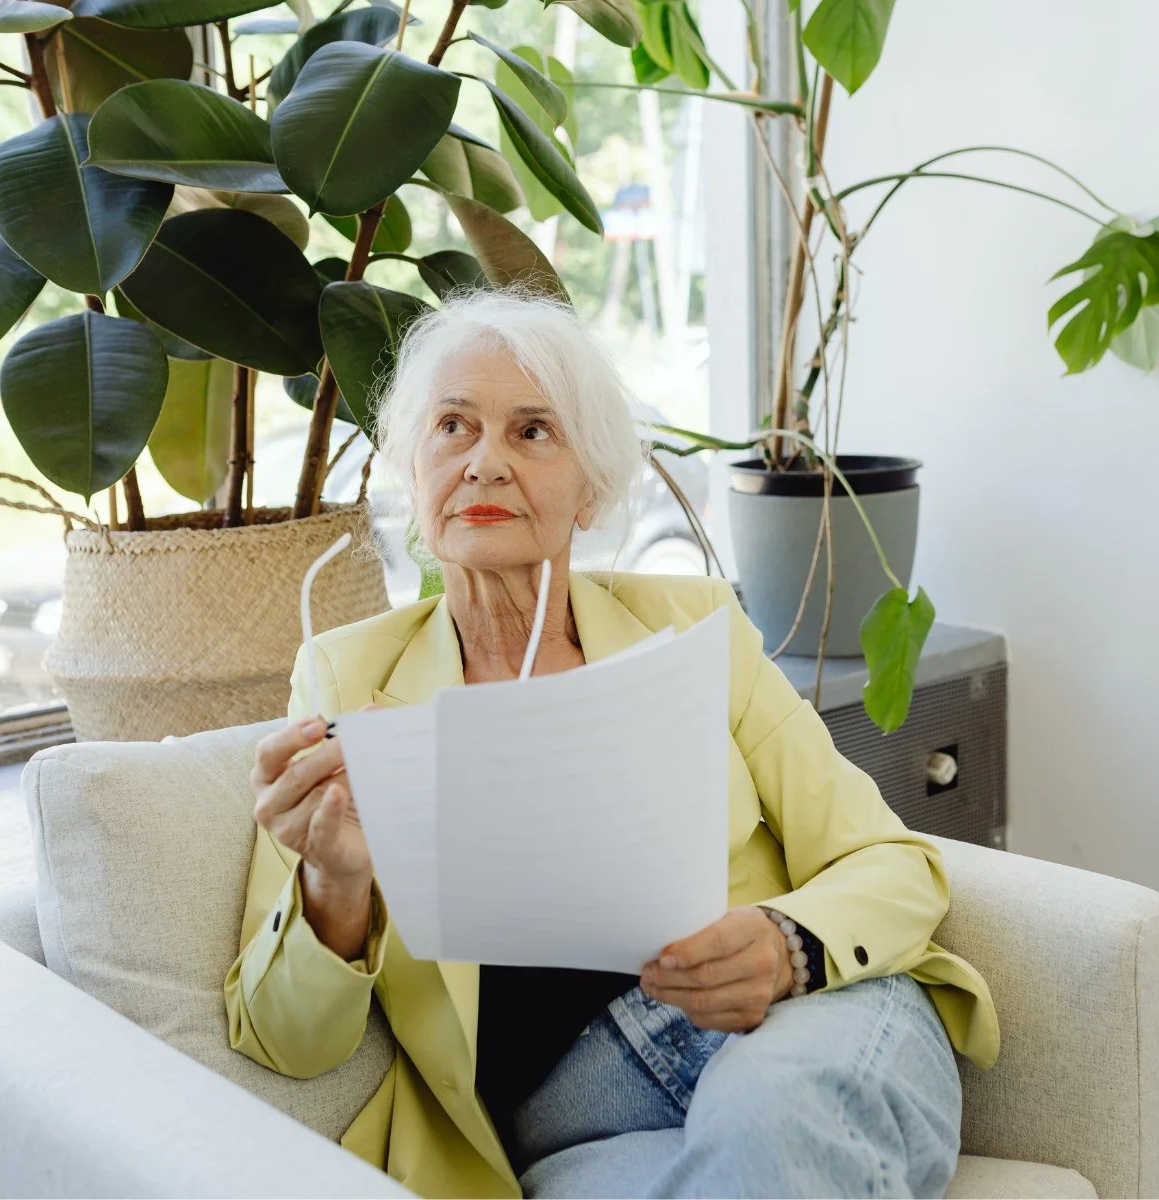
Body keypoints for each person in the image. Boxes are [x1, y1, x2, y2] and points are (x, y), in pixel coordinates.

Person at [225, 289, 998, 1199]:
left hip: (798, 1025)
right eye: (453, 427)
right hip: (579, 1117)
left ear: (590, 487)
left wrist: (790, 942)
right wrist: (335, 883)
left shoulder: (695, 625)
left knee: (771, 1120)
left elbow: (891, 862)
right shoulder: (345, 679)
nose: (484, 464)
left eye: (533, 431)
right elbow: (286, 1041)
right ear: (412, 470)